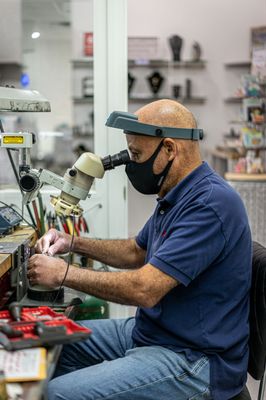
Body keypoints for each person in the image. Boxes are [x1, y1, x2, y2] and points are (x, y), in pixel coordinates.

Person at [28, 99, 252, 400]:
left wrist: (63, 273)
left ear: (170, 149)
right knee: (52, 345)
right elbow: (136, 250)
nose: (132, 165)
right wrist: (72, 242)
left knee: (55, 394)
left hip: (193, 358)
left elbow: (144, 289)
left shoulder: (210, 204)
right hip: (154, 332)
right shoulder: (178, 195)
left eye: (136, 155)